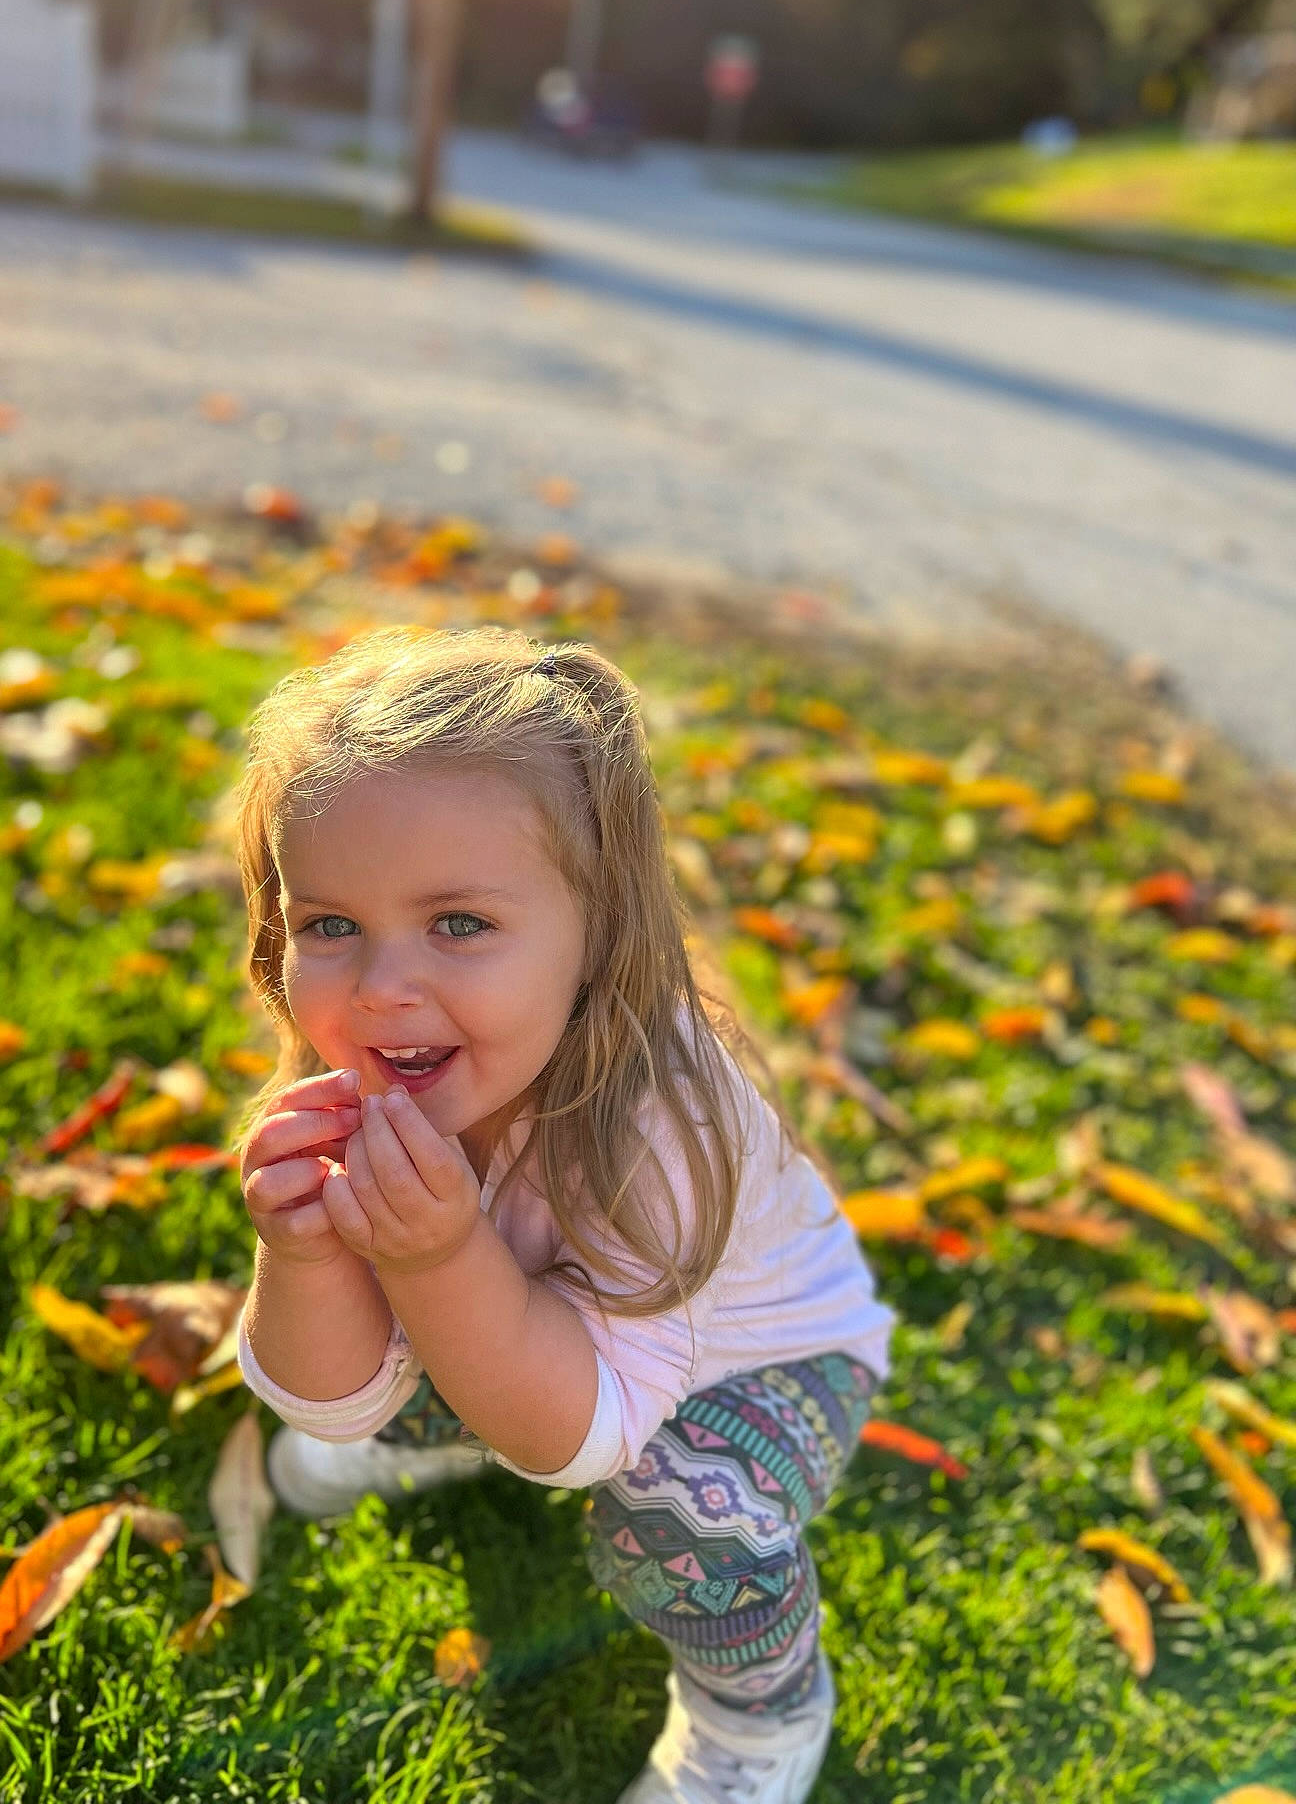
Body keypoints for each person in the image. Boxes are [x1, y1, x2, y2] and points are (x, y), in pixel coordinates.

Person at [233, 624, 896, 1804]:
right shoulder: (376, 1073)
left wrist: (437, 1255)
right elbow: (324, 1395)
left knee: (687, 1514)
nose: (381, 987)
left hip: (760, 1365)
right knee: (415, 1343)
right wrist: (300, 1254)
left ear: (597, 930)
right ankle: (445, 1423)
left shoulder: (665, 1124)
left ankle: (760, 1716)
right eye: (330, 923)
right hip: (535, 1333)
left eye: (459, 923)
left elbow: (575, 1442)